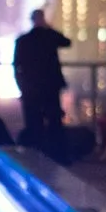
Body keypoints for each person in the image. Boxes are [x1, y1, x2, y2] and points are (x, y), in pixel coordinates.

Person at [12, 10, 70, 152]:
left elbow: (17, 65)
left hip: (30, 86)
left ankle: (34, 151)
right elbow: (66, 42)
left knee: (33, 121)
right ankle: (56, 152)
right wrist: (49, 28)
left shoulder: (23, 40)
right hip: (50, 85)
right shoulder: (50, 37)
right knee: (54, 120)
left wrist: (21, 85)